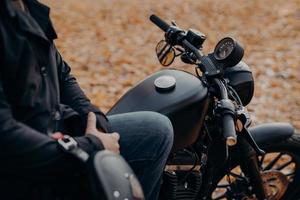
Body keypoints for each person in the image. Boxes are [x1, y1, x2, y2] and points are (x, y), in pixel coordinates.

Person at [0, 0, 174, 199]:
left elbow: (62, 76)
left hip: (58, 131)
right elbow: (5, 138)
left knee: (155, 131)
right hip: (27, 165)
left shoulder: (27, 7)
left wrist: (93, 122)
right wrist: (92, 146)